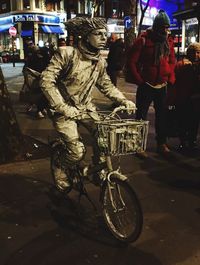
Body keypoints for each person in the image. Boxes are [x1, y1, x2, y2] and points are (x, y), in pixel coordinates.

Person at [40, 17, 135, 193]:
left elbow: (106, 85)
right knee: (76, 152)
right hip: (64, 110)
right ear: (85, 36)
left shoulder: (99, 61)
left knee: (104, 137)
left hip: (86, 108)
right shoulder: (67, 54)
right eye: (98, 34)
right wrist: (61, 106)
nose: (104, 37)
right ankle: (59, 167)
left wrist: (123, 100)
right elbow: (46, 80)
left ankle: (98, 171)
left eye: (105, 34)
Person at [128, 9, 176, 158]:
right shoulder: (143, 40)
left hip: (162, 85)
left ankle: (161, 143)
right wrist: (140, 80)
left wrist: (170, 77)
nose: (165, 30)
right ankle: (138, 145)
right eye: (163, 27)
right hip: (146, 85)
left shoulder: (168, 42)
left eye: (167, 27)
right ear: (156, 26)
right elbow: (131, 62)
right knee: (141, 117)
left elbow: (171, 61)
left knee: (162, 116)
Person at [174, 42, 200, 151]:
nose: (196, 55)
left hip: (195, 97)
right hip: (184, 97)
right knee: (183, 120)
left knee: (194, 121)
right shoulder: (181, 64)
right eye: (194, 52)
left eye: (198, 52)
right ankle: (183, 141)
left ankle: (192, 140)